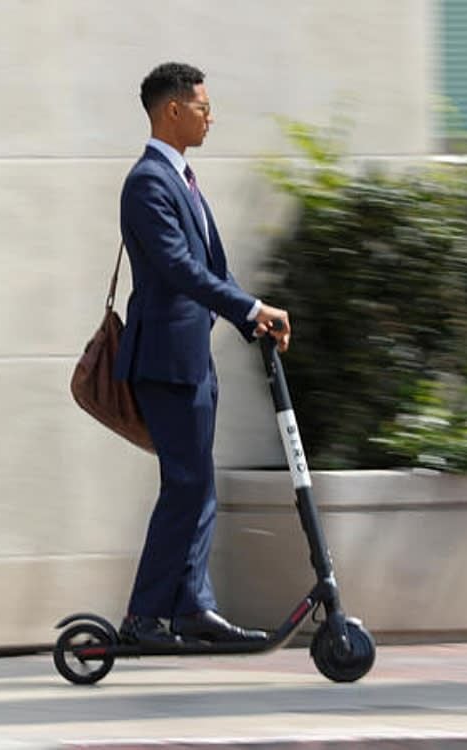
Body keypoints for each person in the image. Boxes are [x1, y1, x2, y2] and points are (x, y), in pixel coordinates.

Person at [113, 62, 292, 647]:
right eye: (202, 107)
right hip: (165, 360)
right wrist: (247, 309)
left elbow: (213, 267)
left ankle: (192, 607)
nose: (210, 117)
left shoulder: (183, 179)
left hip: (191, 358)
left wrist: (251, 317)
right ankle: (144, 617)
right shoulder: (149, 183)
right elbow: (179, 270)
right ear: (172, 110)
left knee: (198, 484)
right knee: (186, 482)